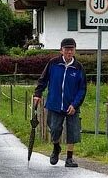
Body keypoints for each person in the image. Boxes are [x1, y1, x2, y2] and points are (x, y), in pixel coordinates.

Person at [32, 37, 86, 167]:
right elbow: (43, 79)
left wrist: (75, 104)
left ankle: (69, 158)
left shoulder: (78, 68)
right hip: (55, 103)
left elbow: (82, 88)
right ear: (61, 50)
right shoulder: (53, 63)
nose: (69, 52)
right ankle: (56, 147)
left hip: (71, 104)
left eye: (71, 49)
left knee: (72, 131)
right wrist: (37, 94)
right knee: (54, 128)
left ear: (74, 51)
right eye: (66, 49)